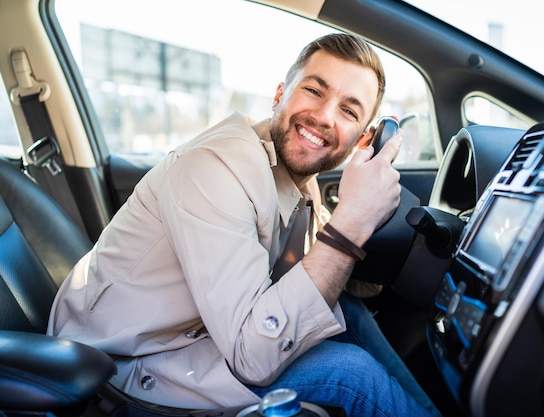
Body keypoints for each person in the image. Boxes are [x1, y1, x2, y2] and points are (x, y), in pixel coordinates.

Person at [47, 33, 440, 417]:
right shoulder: (213, 169)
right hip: (125, 363)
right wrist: (352, 221)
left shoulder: (298, 179)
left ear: (362, 140)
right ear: (278, 96)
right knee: (352, 375)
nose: (323, 117)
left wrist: (371, 214)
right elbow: (254, 356)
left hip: (199, 335)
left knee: (346, 309)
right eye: (314, 91)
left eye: (349, 111)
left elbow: (334, 274)